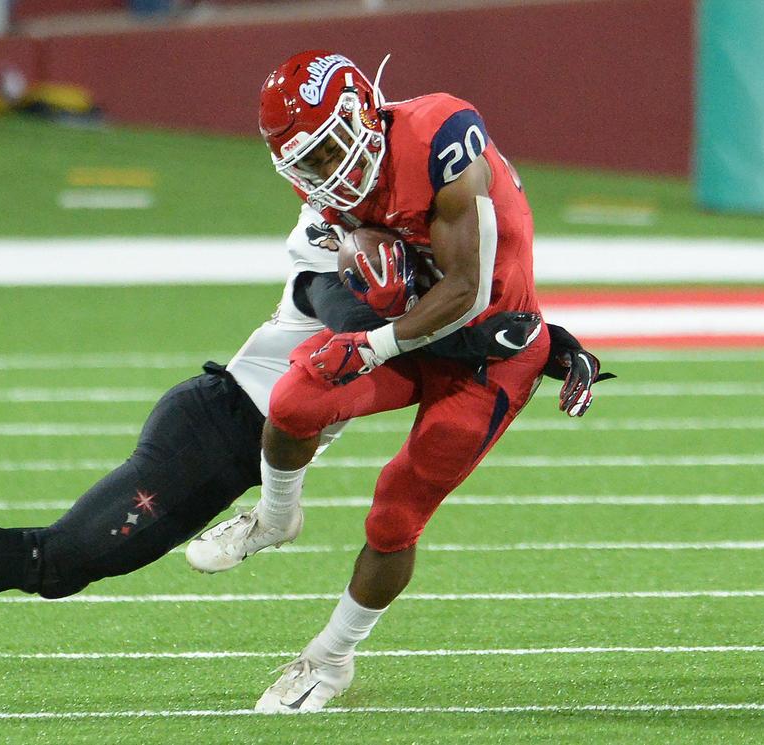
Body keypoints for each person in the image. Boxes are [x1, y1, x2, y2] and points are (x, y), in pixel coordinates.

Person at [0, 93, 606, 702]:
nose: (329, 180)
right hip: (223, 424)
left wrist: (533, 334)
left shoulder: (419, 182)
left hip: (275, 408)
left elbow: (464, 276)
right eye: (311, 168)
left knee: (57, 559)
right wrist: (401, 296)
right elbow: (373, 315)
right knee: (61, 559)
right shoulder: (330, 240)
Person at [185, 50, 604, 713]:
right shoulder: (327, 183)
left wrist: (374, 343)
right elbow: (385, 268)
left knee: (395, 511)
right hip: (419, 328)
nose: (325, 174)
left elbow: (467, 291)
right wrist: (373, 283)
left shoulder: (441, 135)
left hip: (489, 351)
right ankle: (275, 516)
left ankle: (330, 657)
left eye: (328, 153)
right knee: (295, 398)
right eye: (310, 164)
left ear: (360, 113)